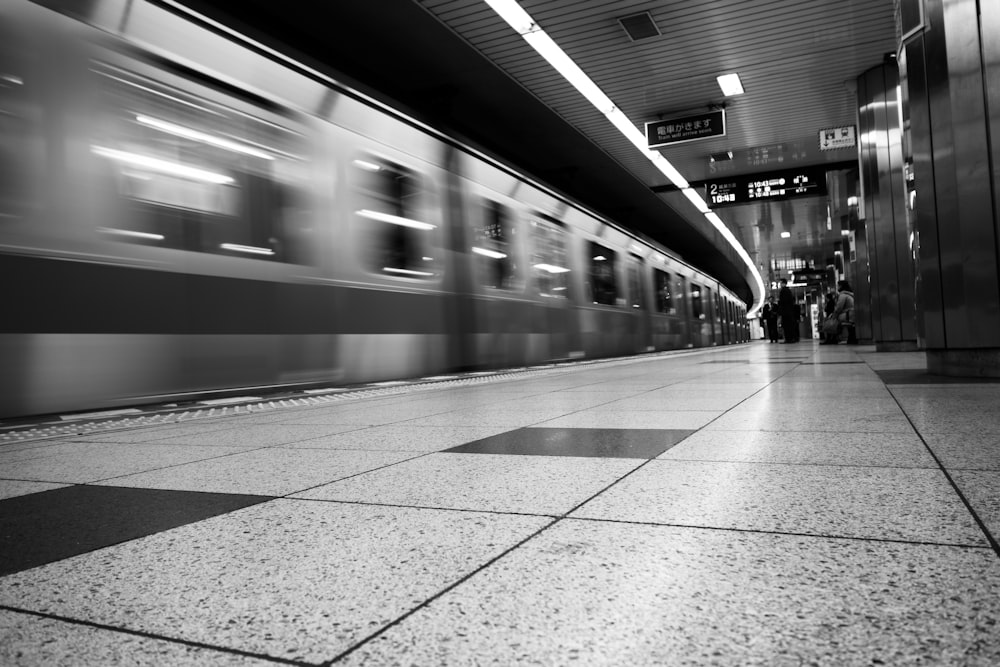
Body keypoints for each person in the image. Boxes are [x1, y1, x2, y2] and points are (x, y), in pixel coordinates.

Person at [833, 280, 858, 344]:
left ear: (841, 286)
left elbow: (839, 307)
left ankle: (833, 337)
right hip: (852, 314)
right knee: (852, 329)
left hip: (848, 315)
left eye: (838, 286)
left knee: (833, 320)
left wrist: (834, 315)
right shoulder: (850, 294)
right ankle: (852, 339)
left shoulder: (843, 295)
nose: (837, 287)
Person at [777, 278, 796, 343]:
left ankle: (788, 339)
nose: (780, 284)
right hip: (789, 312)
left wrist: (780, 309)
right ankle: (791, 338)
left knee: (786, 326)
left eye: (780, 283)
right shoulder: (788, 290)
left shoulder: (784, 291)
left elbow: (783, 302)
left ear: (784, 283)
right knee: (790, 325)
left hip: (786, 312)